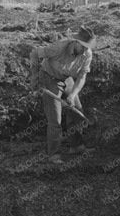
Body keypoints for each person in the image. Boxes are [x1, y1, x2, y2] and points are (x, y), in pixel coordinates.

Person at [28, 26, 94, 159]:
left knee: (76, 110)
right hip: (49, 77)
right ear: (76, 43)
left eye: (88, 47)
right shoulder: (59, 47)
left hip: (66, 78)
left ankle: (76, 146)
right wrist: (35, 79)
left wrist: (72, 95)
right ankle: (54, 154)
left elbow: (82, 77)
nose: (86, 50)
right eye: (83, 46)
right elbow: (34, 53)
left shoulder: (87, 54)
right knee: (55, 120)